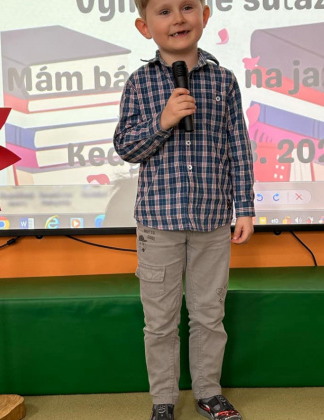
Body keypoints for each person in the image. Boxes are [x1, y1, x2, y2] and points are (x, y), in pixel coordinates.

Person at [113, 0, 255, 419]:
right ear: (144, 27)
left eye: (187, 7)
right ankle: (163, 400)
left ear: (205, 16)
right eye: (164, 11)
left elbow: (238, 148)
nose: (178, 18)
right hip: (159, 224)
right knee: (160, 320)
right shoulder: (139, 83)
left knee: (209, 315)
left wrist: (244, 207)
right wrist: (163, 121)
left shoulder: (224, 81)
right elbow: (126, 147)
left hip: (213, 221)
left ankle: (209, 392)